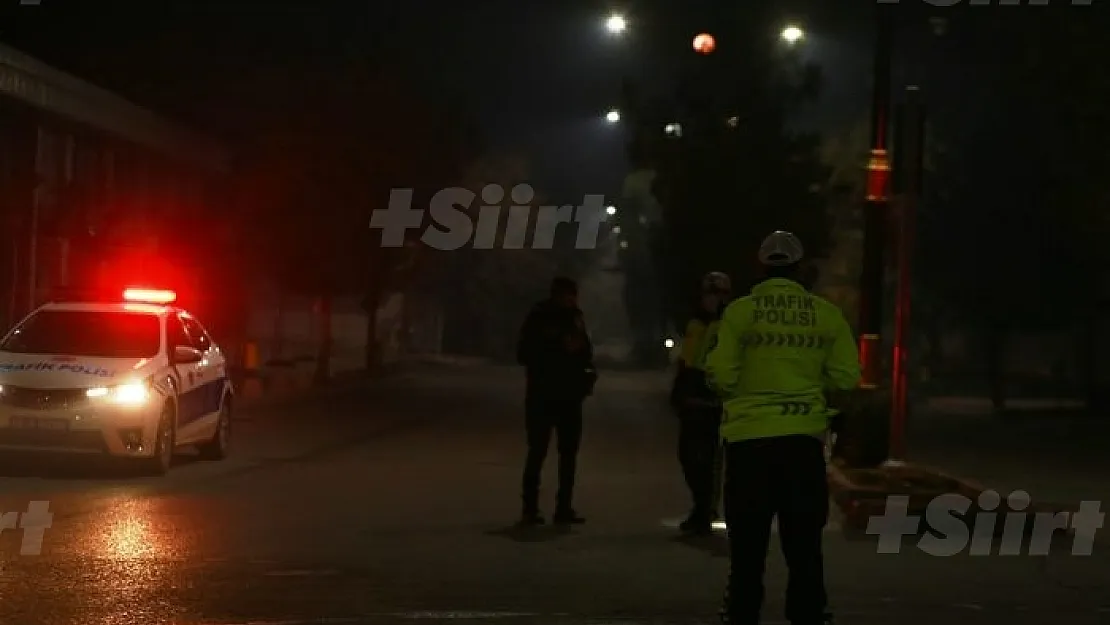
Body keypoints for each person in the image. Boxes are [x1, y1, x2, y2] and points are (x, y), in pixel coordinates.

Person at [705, 231, 860, 625]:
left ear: (761, 267)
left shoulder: (740, 312)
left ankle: (742, 611)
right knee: (804, 544)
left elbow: (720, 375)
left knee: (748, 546)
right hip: (802, 444)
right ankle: (808, 611)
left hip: (749, 443)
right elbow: (845, 379)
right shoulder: (825, 315)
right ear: (800, 269)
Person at [516, 276, 597, 526]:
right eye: (567, 295)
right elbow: (524, 353)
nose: (571, 300)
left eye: (573, 295)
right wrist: (555, 350)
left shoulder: (575, 318)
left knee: (568, 455)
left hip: (570, 398)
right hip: (543, 395)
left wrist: (586, 375)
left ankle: (564, 508)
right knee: (538, 451)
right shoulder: (540, 317)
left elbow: (586, 352)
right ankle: (530, 509)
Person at [670, 271, 731, 535]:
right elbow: (686, 359)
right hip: (691, 394)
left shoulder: (729, 326)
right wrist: (678, 390)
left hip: (713, 398)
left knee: (708, 460)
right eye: (707, 294)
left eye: (715, 294)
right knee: (687, 456)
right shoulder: (695, 323)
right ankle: (702, 505)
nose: (710, 300)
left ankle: (704, 510)